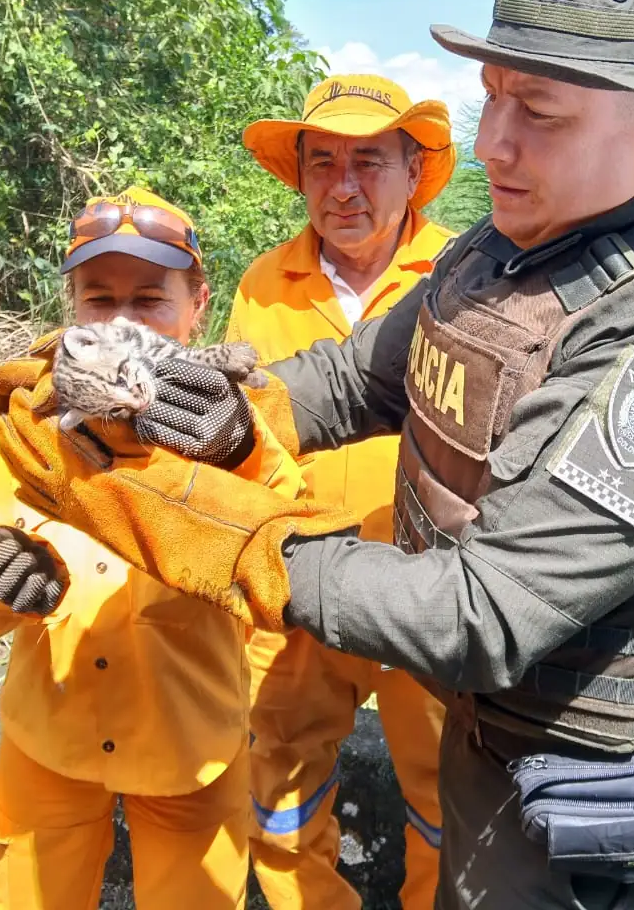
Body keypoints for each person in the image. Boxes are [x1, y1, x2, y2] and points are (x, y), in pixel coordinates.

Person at [0, 0, 634, 907]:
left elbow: (485, 611)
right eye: (493, 99)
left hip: (586, 807)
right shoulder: (503, 256)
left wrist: (223, 539)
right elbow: (352, 376)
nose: (494, 145)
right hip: (485, 739)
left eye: (539, 113)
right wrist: (191, 406)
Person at [0, 188, 312, 910]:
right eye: (100, 298)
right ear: (73, 306)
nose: (123, 321)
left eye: (150, 299)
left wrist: (238, 452)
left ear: (198, 303)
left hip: (194, 741)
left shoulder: (236, 421)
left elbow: (296, 539)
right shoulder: (27, 420)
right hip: (51, 730)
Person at [228, 73, 455, 910]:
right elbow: (244, 437)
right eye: (322, 162)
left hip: (427, 587)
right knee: (279, 776)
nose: (344, 185)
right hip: (298, 583)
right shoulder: (264, 283)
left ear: (412, 170)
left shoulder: (463, 277)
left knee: (448, 791)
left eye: (369, 160)